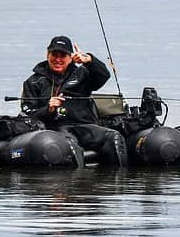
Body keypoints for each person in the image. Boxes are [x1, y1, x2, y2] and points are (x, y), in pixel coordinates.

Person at [20, 35, 126, 166]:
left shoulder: (82, 74)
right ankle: (76, 184)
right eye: (54, 54)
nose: (58, 59)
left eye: (63, 55)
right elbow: (29, 114)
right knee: (69, 145)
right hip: (56, 130)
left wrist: (89, 60)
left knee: (113, 137)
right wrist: (49, 109)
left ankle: (118, 182)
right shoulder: (33, 82)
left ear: (70, 57)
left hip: (85, 126)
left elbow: (103, 76)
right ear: (47, 54)